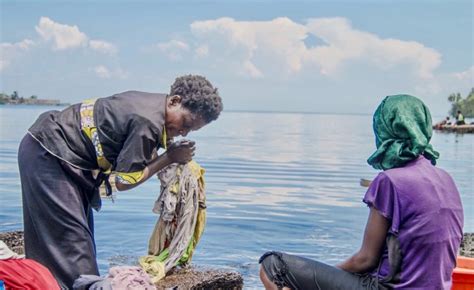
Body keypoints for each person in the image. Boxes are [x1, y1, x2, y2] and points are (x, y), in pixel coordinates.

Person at [18, 74, 223, 288]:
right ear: (174, 101)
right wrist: (169, 157)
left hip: (53, 152)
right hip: (49, 153)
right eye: (185, 123)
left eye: (190, 130)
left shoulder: (151, 109)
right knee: (74, 246)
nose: (183, 132)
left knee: (69, 239)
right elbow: (124, 182)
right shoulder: (148, 122)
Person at [259, 94, 464, 289]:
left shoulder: (390, 181)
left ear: (385, 130)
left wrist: (320, 279)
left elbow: (365, 260)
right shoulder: (446, 178)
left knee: (272, 265)